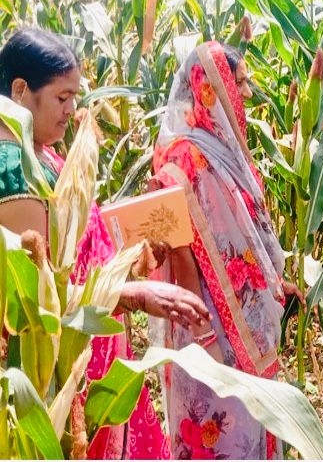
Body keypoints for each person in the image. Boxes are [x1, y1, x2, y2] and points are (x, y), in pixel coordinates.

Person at [0, 27, 209, 459]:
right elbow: (34, 299)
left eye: (74, 97)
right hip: (54, 376)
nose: (71, 110)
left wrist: (132, 252)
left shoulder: (38, 150)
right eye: (62, 97)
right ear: (20, 90)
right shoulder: (12, 171)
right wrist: (131, 294)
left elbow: (72, 243)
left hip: (80, 357)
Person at [150, 41, 301, 460]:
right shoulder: (183, 158)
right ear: (209, 89)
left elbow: (242, 237)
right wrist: (203, 336)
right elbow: (180, 250)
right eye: (239, 83)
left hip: (242, 318)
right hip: (208, 324)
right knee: (219, 428)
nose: (247, 93)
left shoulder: (223, 151)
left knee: (250, 423)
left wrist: (274, 283)